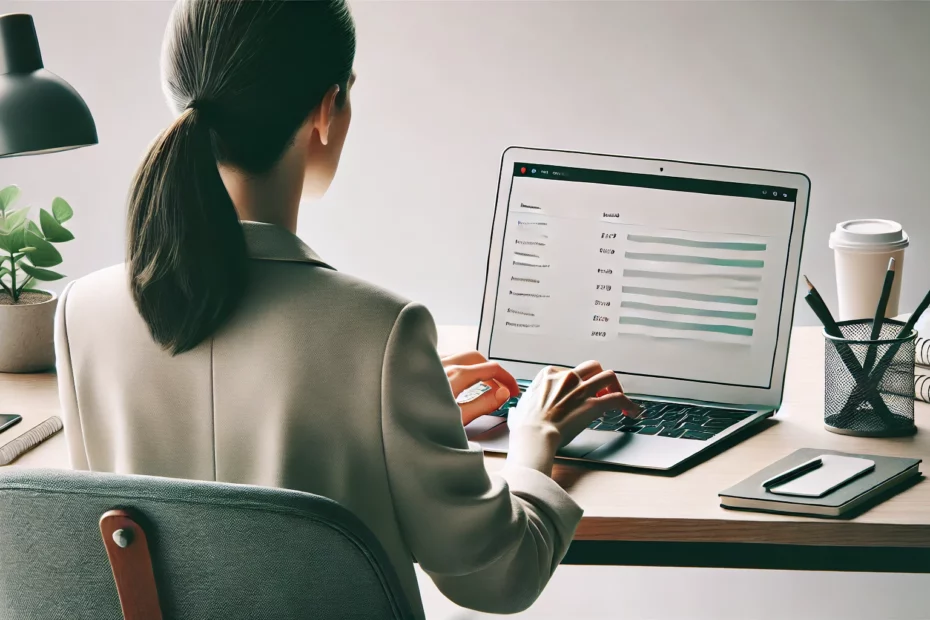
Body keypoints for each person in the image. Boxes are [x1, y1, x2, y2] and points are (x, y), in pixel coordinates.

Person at [54, 1, 638, 616]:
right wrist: (534, 442)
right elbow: (496, 579)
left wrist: (381, 412)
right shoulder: (382, 331)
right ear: (328, 110)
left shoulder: (81, 314)